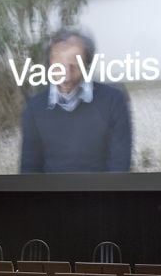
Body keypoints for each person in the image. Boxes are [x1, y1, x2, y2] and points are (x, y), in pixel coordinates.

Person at [19, 30, 132, 172]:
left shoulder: (114, 101)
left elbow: (119, 166)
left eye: (74, 64)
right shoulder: (34, 108)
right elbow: (29, 168)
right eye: (58, 64)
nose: (66, 75)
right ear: (49, 63)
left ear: (86, 63)